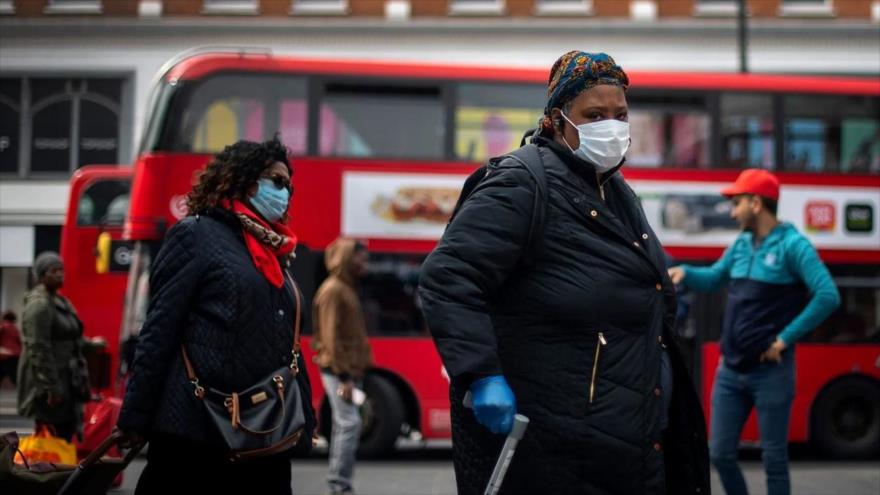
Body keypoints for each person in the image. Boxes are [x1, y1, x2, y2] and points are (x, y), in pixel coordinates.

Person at [419, 51, 709, 495]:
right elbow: (448, 276)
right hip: (558, 452)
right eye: (594, 115)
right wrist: (481, 373)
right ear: (556, 119)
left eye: (620, 115)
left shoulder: (616, 191)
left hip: (627, 445)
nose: (611, 127)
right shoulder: (521, 183)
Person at [116, 137, 316, 494]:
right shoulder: (195, 236)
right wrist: (135, 415)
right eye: (276, 180)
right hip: (197, 429)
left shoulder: (273, 250)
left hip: (262, 430)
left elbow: (287, 341)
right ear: (243, 179)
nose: (284, 192)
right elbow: (159, 330)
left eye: (288, 185)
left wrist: (307, 416)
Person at [668, 169, 840, 495]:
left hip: (771, 371)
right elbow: (714, 279)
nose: (732, 212)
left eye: (737, 203)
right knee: (719, 453)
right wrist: (685, 272)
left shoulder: (794, 246)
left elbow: (828, 295)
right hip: (730, 371)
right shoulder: (741, 245)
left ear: (756, 203)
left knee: (774, 460)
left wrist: (784, 340)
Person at [17, 252, 102, 441]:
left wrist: (90, 344)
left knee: (65, 433)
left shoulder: (59, 300)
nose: (60, 274)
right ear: (41, 275)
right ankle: (52, 470)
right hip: (51, 385)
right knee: (53, 437)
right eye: (53, 271)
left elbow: (72, 338)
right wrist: (52, 388)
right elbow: (38, 349)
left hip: (67, 379)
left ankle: (62, 468)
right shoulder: (39, 305)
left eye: (61, 270)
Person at [312, 238, 373, 495]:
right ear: (349, 257)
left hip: (347, 371)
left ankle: (340, 484)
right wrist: (345, 376)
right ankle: (339, 484)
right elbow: (330, 338)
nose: (366, 263)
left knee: (345, 424)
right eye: (362, 257)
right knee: (349, 424)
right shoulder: (334, 290)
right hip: (340, 372)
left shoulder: (345, 288)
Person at [0, 310, 22, 386]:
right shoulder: (15, 329)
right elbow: (19, 341)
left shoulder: (3, 327)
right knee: (14, 374)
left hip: (4, 354)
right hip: (16, 354)